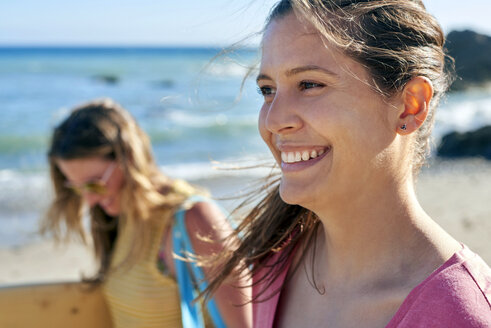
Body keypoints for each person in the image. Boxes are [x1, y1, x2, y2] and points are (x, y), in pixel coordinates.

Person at [204, 1, 491, 327]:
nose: (273, 120)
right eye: (267, 90)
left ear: (410, 106)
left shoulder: (460, 313)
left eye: (309, 84)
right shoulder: (273, 264)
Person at [42, 99, 252, 328]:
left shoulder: (192, 219)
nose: (88, 200)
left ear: (130, 159)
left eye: (94, 184)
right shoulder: (118, 218)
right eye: (77, 188)